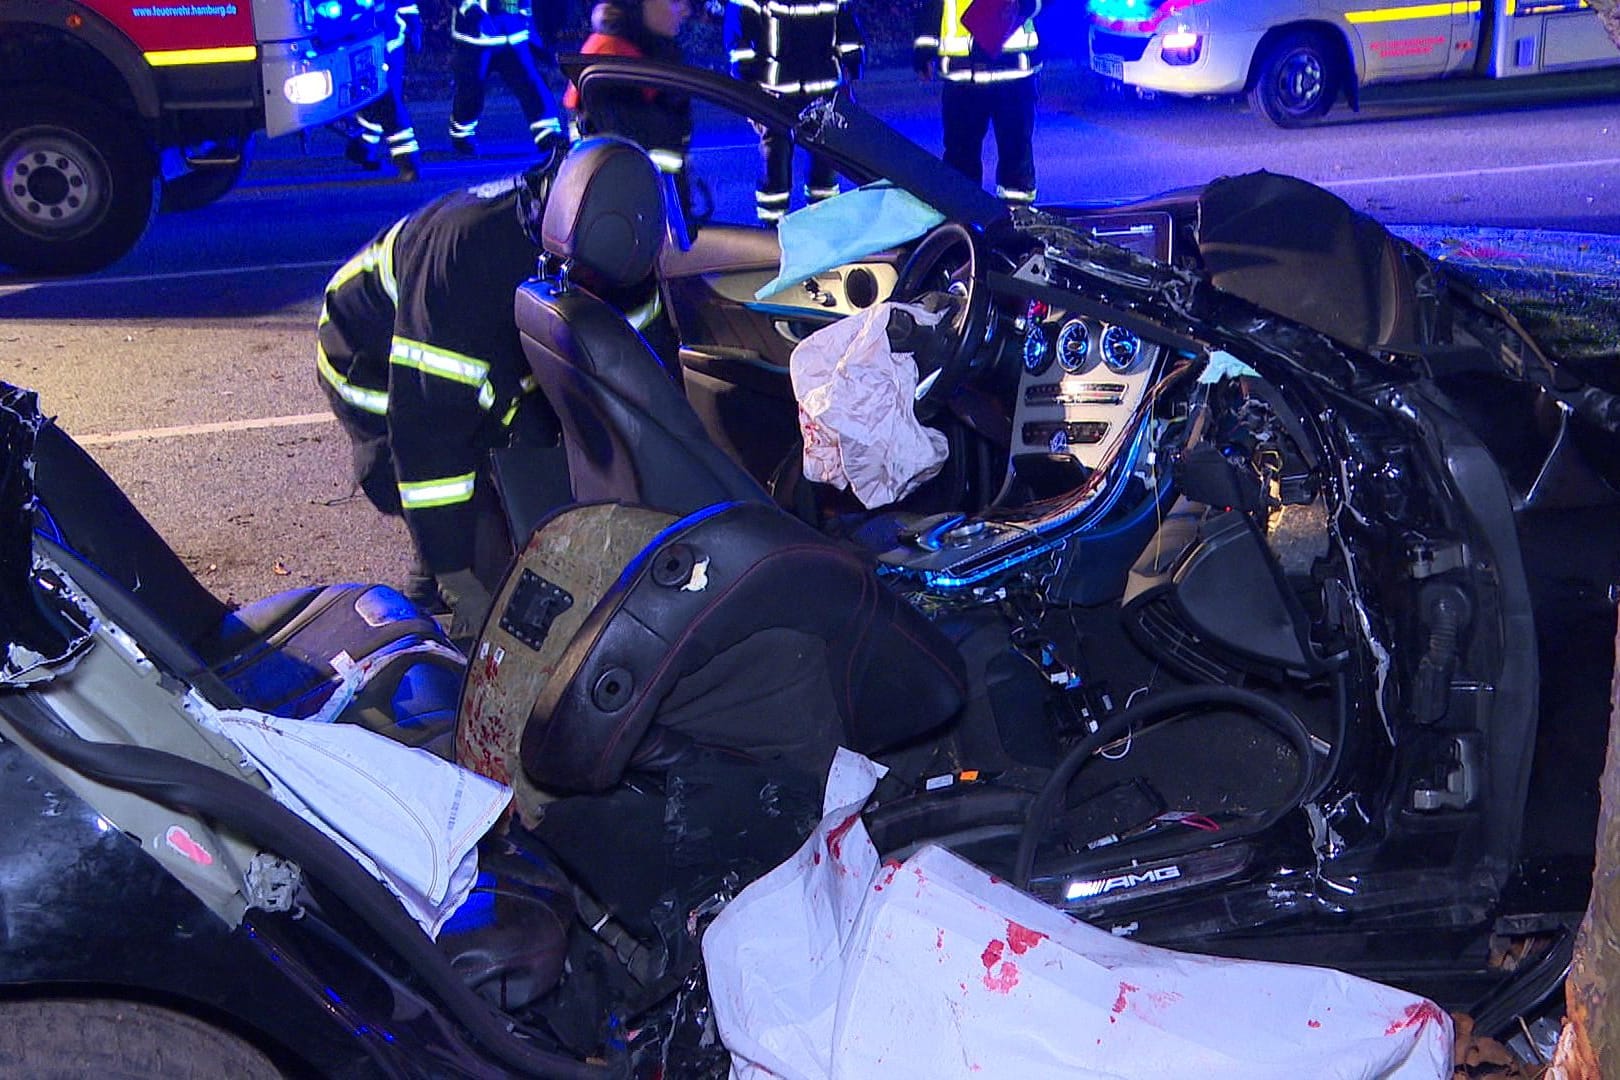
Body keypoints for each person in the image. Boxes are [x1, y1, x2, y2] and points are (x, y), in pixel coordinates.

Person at [315, 149, 664, 635]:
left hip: (487, 348)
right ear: (554, 252)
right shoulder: (468, 258)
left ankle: (444, 575)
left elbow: (647, 368)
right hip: (371, 357)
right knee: (465, 512)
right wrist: (457, 576)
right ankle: (431, 606)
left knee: (529, 459)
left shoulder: (624, 241)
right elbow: (428, 437)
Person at [725, 0, 864, 223]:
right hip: (773, 97)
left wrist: (852, 68)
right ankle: (772, 235)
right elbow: (740, 41)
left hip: (823, 93)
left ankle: (825, 229)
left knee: (825, 172)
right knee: (775, 172)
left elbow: (847, 29)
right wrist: (749, 92)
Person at [562, 0, 695, 216]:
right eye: (674, 1)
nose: (685, 10)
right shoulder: (613, 64)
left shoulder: (644, 52)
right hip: (630, 228)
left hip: (648, 222)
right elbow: (636, 173)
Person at [914, 0, 1042, 206]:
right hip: (964, 76)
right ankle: (964, 222)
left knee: (1016, 156)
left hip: (1011, 73)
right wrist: (924, 49)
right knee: (961, 159)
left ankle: (1017, 220)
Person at [449, 0, 567, 158]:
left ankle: (547, 133)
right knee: (471, 92)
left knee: (531, 85)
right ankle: (462, 135)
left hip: (513, 31)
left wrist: (527, 18)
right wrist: (470, 8)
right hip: (475, 36)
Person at [347, 0, 424, 181]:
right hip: (355, 46)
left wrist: (414, 29)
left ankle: (408, 163)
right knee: (368, 100)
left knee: (388, 102)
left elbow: (406, 5)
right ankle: (362, 147)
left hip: (386, 46)